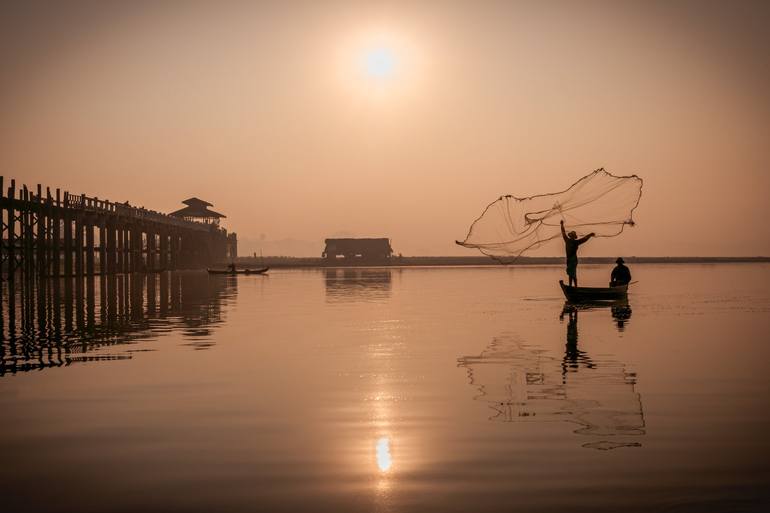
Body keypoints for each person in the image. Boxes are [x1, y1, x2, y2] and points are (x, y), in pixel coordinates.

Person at [560, 220, 595, 287]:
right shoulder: (567, 240)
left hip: (573, 260)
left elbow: (584, 239)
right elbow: (563, 232)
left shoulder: (576, 242)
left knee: (573, 273)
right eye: (572, 236)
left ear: (573, 236)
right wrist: (561, 224)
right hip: (569, 259)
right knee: (570, 273)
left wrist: (590, 235)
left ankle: (575, 286)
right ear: (570, 236)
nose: (572, 237)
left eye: (573, 236)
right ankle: (571, 286)